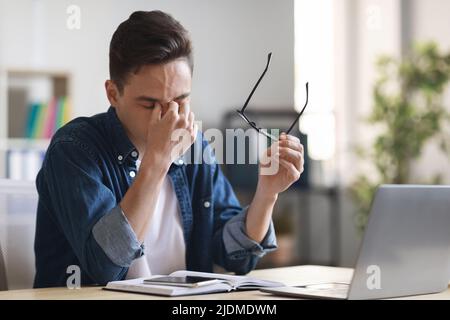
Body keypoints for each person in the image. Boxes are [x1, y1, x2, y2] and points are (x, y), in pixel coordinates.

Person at [33, 10, 304, 288]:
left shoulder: (195, 146)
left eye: (181, 100)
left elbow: (235, 257)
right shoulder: (74, 150)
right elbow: (104, 265)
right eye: (150, 104)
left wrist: (267, 194)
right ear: (113, 93)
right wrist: (157, 161)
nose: (169, 116)